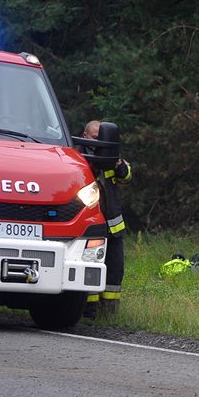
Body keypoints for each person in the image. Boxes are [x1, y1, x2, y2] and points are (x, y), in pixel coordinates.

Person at [82, 120, 132, 316]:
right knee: (90, 269)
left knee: (114, 272)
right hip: (91, 227)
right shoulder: (78, 154)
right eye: (95, 138)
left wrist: (117, 162)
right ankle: (88, 311)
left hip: (113, 226)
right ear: (85, 136)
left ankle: (110, 314)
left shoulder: (112, 154)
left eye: (101, 138)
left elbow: (126, 176)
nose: (98, 142)